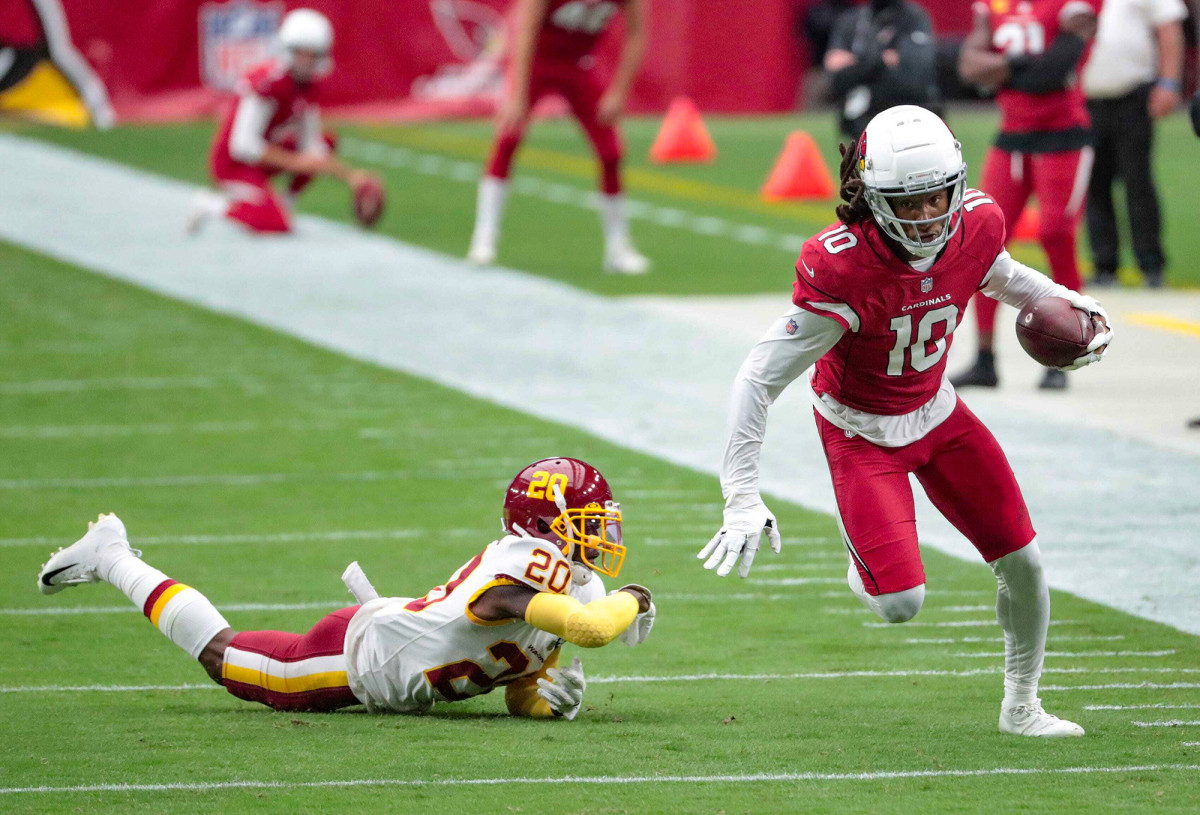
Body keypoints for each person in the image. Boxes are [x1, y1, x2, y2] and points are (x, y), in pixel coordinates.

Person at [696, 106, 1112, 737]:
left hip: (938, 412)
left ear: (956, 186)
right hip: (860, 431)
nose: (925, 216)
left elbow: (1000, 276)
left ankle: (1022, 706)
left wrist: (1067, 303)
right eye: (907, 203)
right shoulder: (842, 266)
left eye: (935, 198)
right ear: (872, 197)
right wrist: (741, 496)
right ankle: (865, 560)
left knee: (1024, 562)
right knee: (899, 604)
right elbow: (758, 377)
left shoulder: (977, 224)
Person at [36, 458, 656, 717]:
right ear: (541, 527)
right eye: (587, 522)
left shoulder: (571, 586)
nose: (600, 534)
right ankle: (112, 555)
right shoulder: (518, 575)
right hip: (356, 660)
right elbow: (591, 631)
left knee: (225, 657)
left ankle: (111, 555)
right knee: (221, 658)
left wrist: (551, 703)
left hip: (394, 648)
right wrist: (637, 597)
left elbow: (518, 687)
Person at [953, 0, 1100, 390]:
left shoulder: (1071, 5)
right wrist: (1022, 66)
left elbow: (1054, 71)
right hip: (1012, 136)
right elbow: (968, 67)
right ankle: (985, 358)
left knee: (1056, 234)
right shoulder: (995, 4)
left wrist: (1003, 70)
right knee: (982, 240)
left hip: (1063, 136)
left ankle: (1066, 351)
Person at [466, 0, 650, 275]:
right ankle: (484, 237)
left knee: (611, 153)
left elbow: (636, 34)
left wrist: (619, 92)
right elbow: (525, 30)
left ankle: (618, 248)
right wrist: (517, 93)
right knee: (508, 139)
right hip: (537, 62)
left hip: (579, 65)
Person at [188, 9, 380, 235]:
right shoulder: (269, 84)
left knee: (327, 141)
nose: (307, 61)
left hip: (263, 157)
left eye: (312, 54)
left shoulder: (308, 86)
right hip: (234, 165)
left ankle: (285, 203)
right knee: (274, 223)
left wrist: (352, 177)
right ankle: (210, 205)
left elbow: (313, 147)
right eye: (301, 53)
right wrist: (297, 162)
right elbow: (243, 146)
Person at [1082, 0, 1187, 288]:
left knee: (1137, 180)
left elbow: (1169, 27)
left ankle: (1151, 264)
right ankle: (1104, 264)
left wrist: (1169, 82)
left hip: (1133, 95)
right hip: (1085, 99)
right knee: (1093, 183)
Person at [823, 0, 941, 140]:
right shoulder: (852, 20)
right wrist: (880, 60)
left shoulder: (914, 18)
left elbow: (914, 74)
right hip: (863, 115)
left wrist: (857, 63)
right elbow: (834, 70)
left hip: (909, 114)